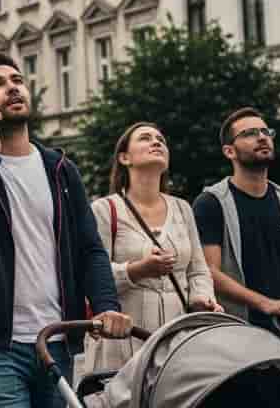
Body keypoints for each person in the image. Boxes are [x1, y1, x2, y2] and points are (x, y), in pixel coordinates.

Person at [0, 53, 130, 407]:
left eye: (17, 80)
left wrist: (105, 305)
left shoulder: (60, 169)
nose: (12, 88)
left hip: (55, 340)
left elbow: (89, 247)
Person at [85, 123, 218, 373]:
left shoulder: (182, 208)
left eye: (161, 139)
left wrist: (202, 299)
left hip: (176, 340)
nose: (157, 142)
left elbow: (198, 271)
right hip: (122, 340)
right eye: (145, 138)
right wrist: (138, 270)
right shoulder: (105, 209)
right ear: (125, 158)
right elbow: (93, 274)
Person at [193, 107, 280, 333]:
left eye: (266, 132)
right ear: (229, 151)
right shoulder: (211, 203)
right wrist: (265, 303)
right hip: (239, 333)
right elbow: (209, 271)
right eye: (249, 133)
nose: (261, 137)